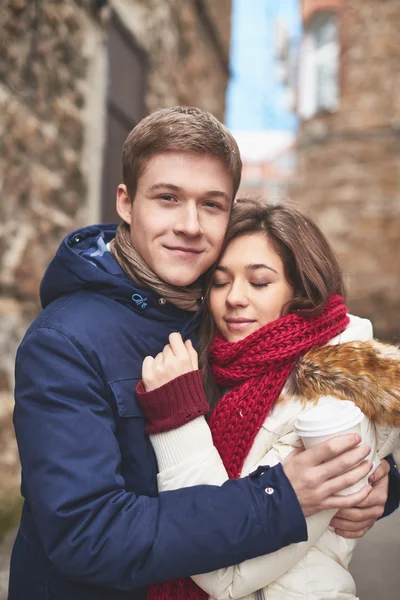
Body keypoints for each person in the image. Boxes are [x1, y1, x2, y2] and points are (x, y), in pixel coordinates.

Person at [9, 108, 396, 600]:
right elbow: (87, 535)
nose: (190, 225)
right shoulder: (64, 342)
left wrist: (375, 483)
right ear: (126, 203)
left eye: (211, 205)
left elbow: (283, 418)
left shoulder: (220, 313)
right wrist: (279, 500)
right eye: (168, 198)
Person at [136, 198, 400, 600]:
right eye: (221, 281)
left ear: (301, 289)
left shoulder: (336, 392)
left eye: (259, 282)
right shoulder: (224, 366)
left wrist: (178, 421)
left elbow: (222, 572)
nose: (234, 298)